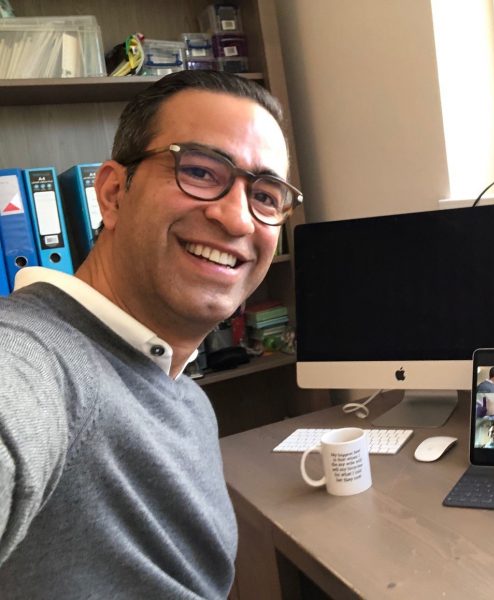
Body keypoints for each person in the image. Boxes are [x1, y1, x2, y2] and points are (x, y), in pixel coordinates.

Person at [0, 70, 300, 598]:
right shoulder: (34, 357)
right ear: (113, 194)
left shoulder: (184, 394)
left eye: (266, 195)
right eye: (200, 171)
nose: (237, 220)